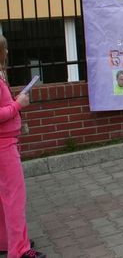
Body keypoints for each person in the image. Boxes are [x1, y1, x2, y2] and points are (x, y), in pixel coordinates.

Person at [0, 35, 47, 258]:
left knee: (4, 198)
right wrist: (17, 104)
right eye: (4, 49)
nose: (8, 53)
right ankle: (19, 250)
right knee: (14, 199)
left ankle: (7, 241)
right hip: (4, 146)